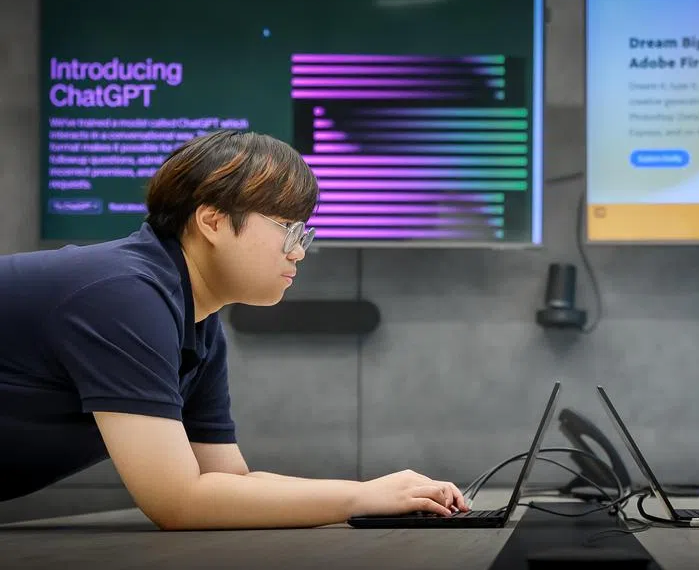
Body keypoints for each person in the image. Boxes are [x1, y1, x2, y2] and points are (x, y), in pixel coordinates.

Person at [0, 130, 467, 529]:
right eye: (288, 228)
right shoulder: (124, 294)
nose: (299, 251)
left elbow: (225, 483)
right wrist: (361, 498)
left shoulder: (197, 323)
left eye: (304, 234)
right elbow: (178, 502)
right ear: (212, 221)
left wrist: (380, 493)